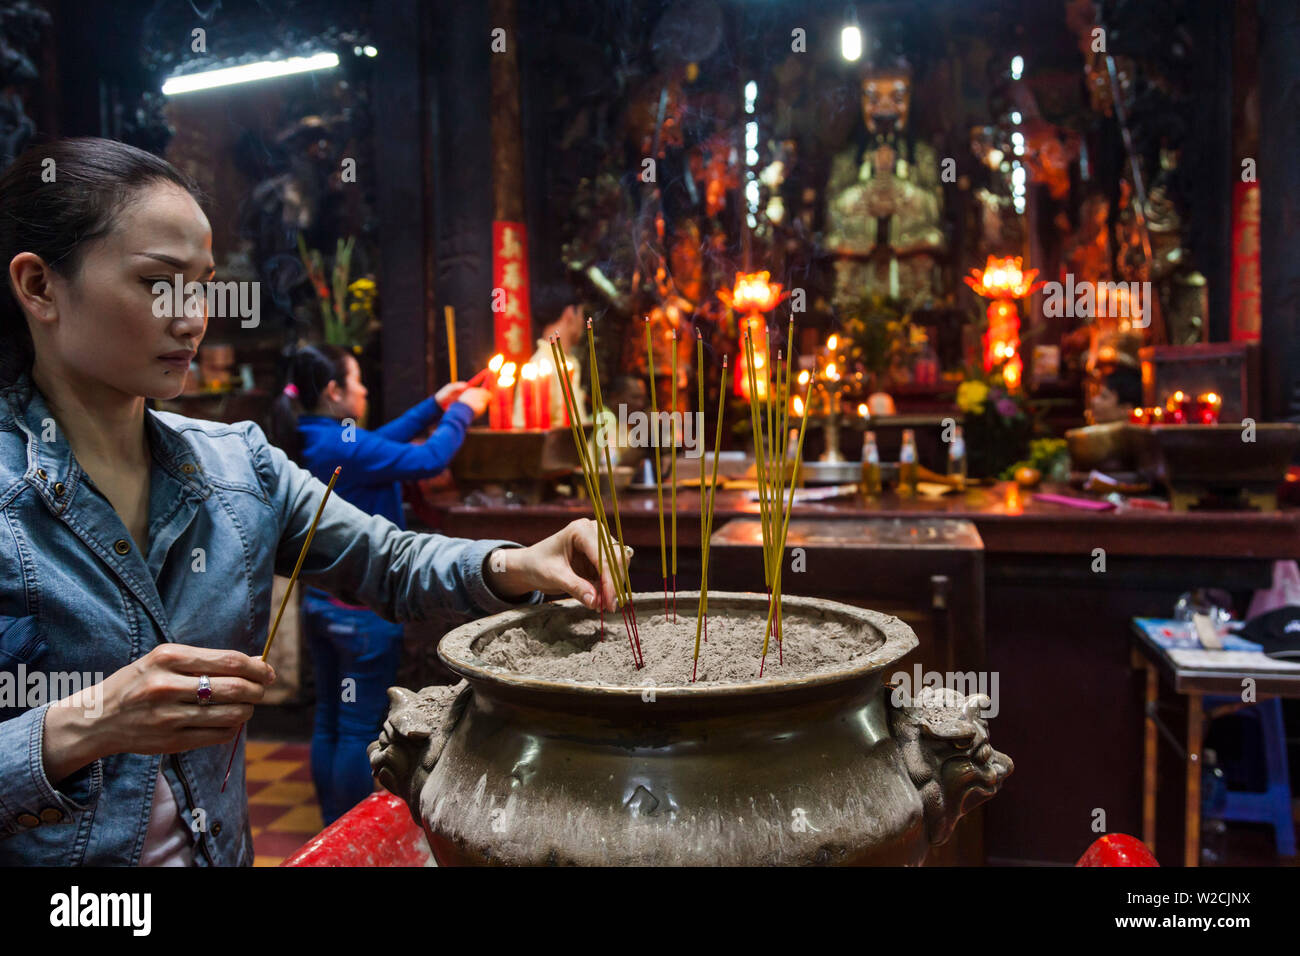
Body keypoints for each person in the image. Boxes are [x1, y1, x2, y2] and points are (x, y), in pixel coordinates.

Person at [0, 138, 627, 865]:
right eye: (159, 283)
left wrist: (520, 562)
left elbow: (390, 560)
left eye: (202, 285)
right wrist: (89, 720)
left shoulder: (239, 468)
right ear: (39, 286)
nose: (193, 317)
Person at [268, 345, 490, 823]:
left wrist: (436, 404)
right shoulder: (344, 444)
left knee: (329, 719)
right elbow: (429, 459)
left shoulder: (315, 438)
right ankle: (346, 833)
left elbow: (381, 443)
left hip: (322, 605)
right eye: (358, 381)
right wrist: (462, 415)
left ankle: (330, 825)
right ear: (334, 391)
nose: (366, 390)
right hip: (361, 614)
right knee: (355, 729)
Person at [521, 281, 588, 424]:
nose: (582, 322)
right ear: (570, 313)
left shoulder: (567, 362)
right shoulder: (541, 368)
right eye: (582, 314)